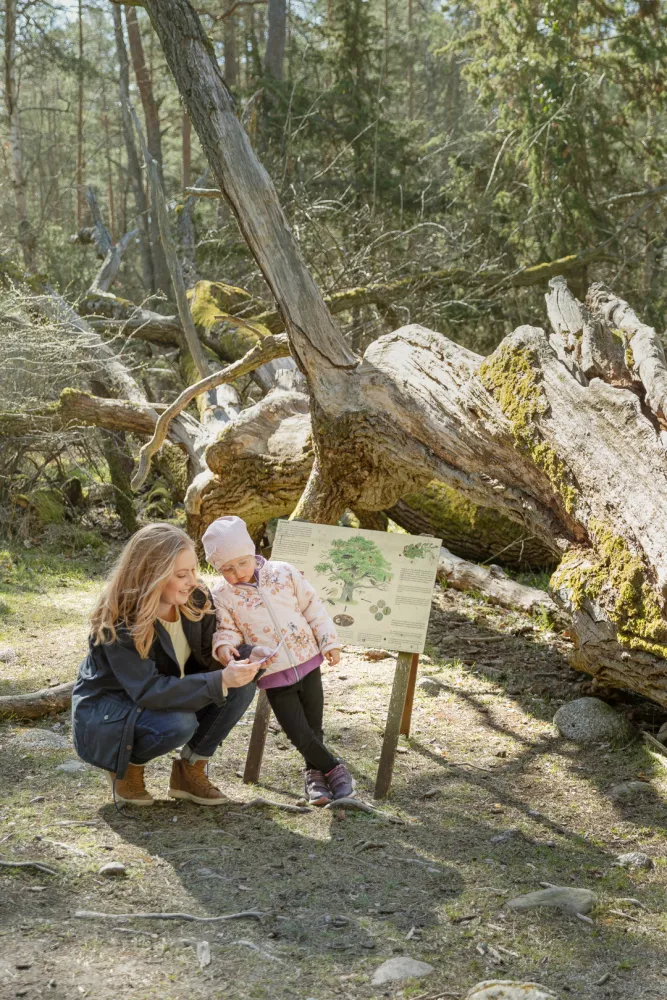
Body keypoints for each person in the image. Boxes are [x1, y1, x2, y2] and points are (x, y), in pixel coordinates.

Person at [72, 522, 260, 807]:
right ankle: (127, 768)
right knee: (179, 723)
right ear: (152, 576)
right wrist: (222, 680)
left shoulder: (196, 598)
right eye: (182, 574)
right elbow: (149, 690)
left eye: (195, 570)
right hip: (115, 711)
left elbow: (208, 659)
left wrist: (243, 655)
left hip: (164, 694)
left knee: (241, 684)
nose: (193, 581)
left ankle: (190, 769)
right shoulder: (121, 622)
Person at [202, 515, 354, 806]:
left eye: (242, 563)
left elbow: (313, 608)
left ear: (252, 552)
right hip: (272, 671)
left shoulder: (284, 573)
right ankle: (335, 769)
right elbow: (226, 629)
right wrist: (224, 647)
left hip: (308, 661)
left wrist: (329, 642)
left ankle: (315, 779)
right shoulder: (222, 594)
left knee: (314, 728)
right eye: (227, 569)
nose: (238, 573)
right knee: (299, 733)